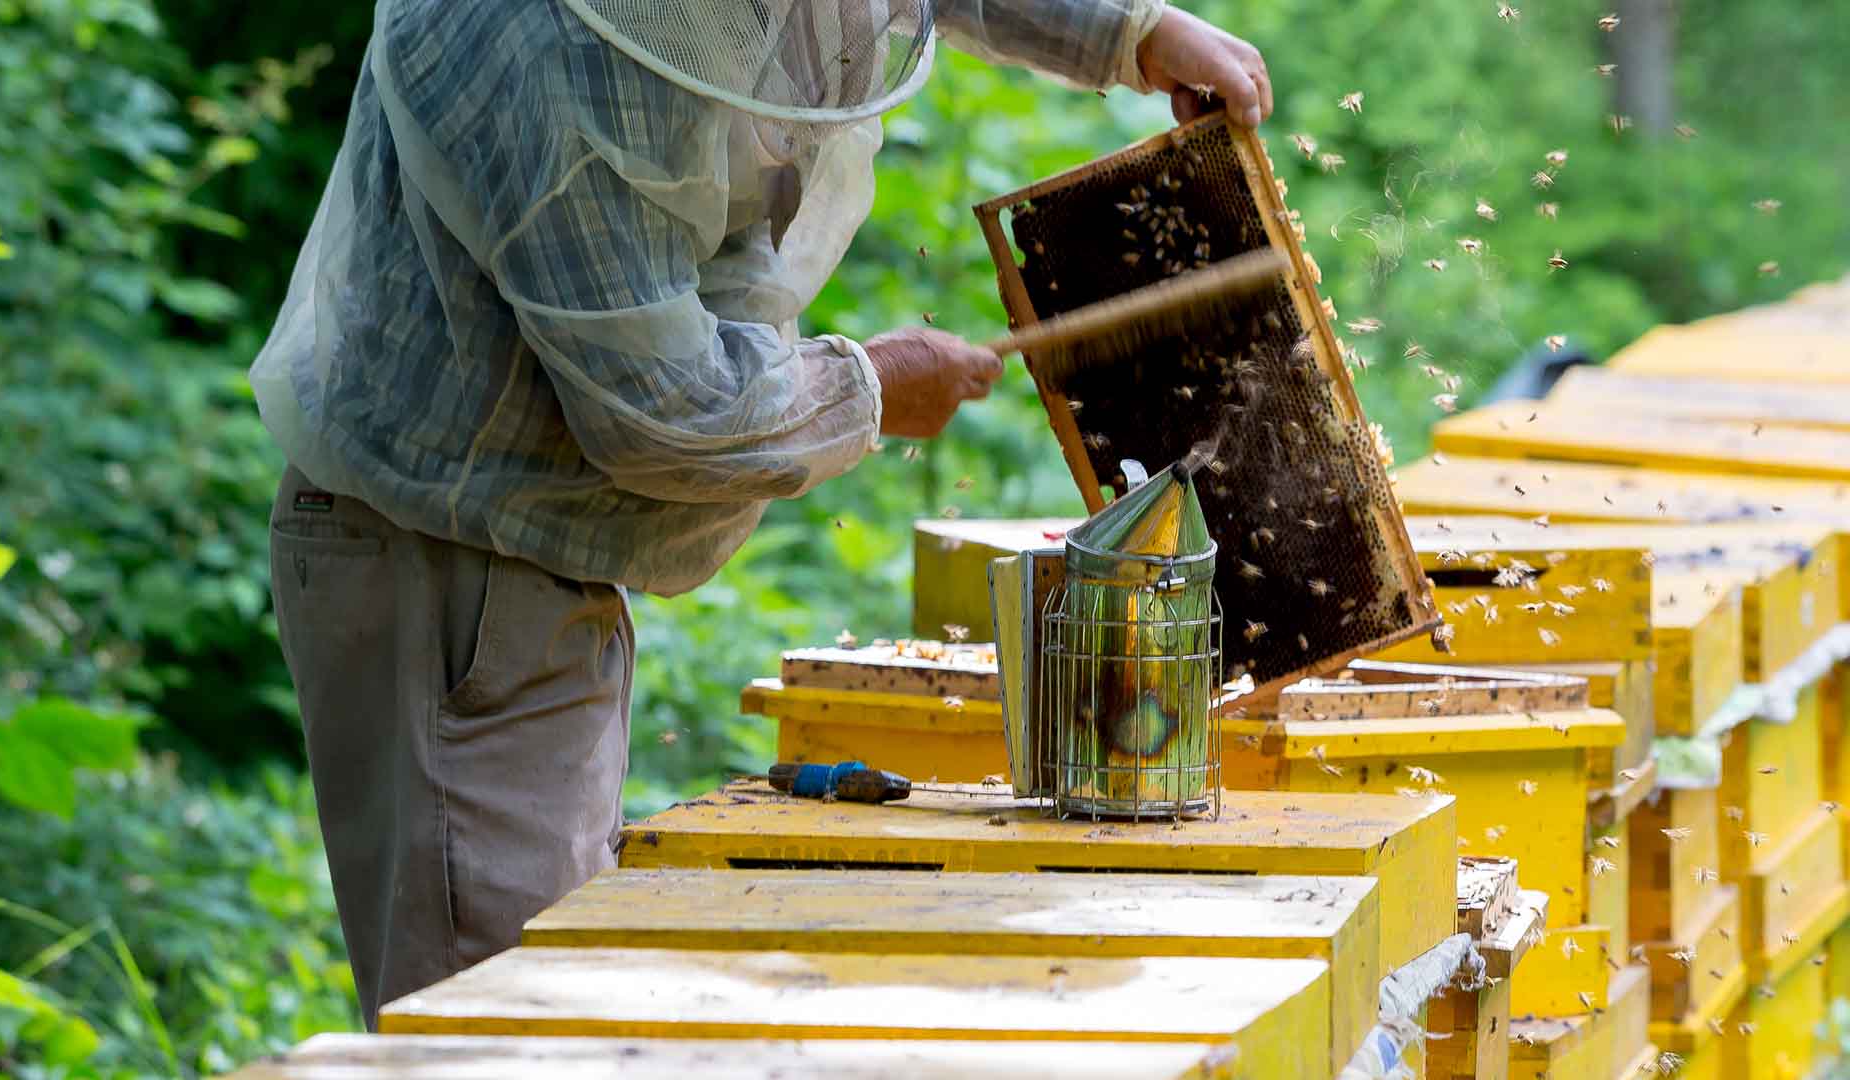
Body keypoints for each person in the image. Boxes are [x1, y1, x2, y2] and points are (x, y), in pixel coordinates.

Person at [251, 0, 1271, 1029]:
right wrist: (864, 389)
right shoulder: (546, 49)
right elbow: (660, 412)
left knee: (544, 1016)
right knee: (504, 1038)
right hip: (449, 568)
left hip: (505, 566)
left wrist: (1126, 32)